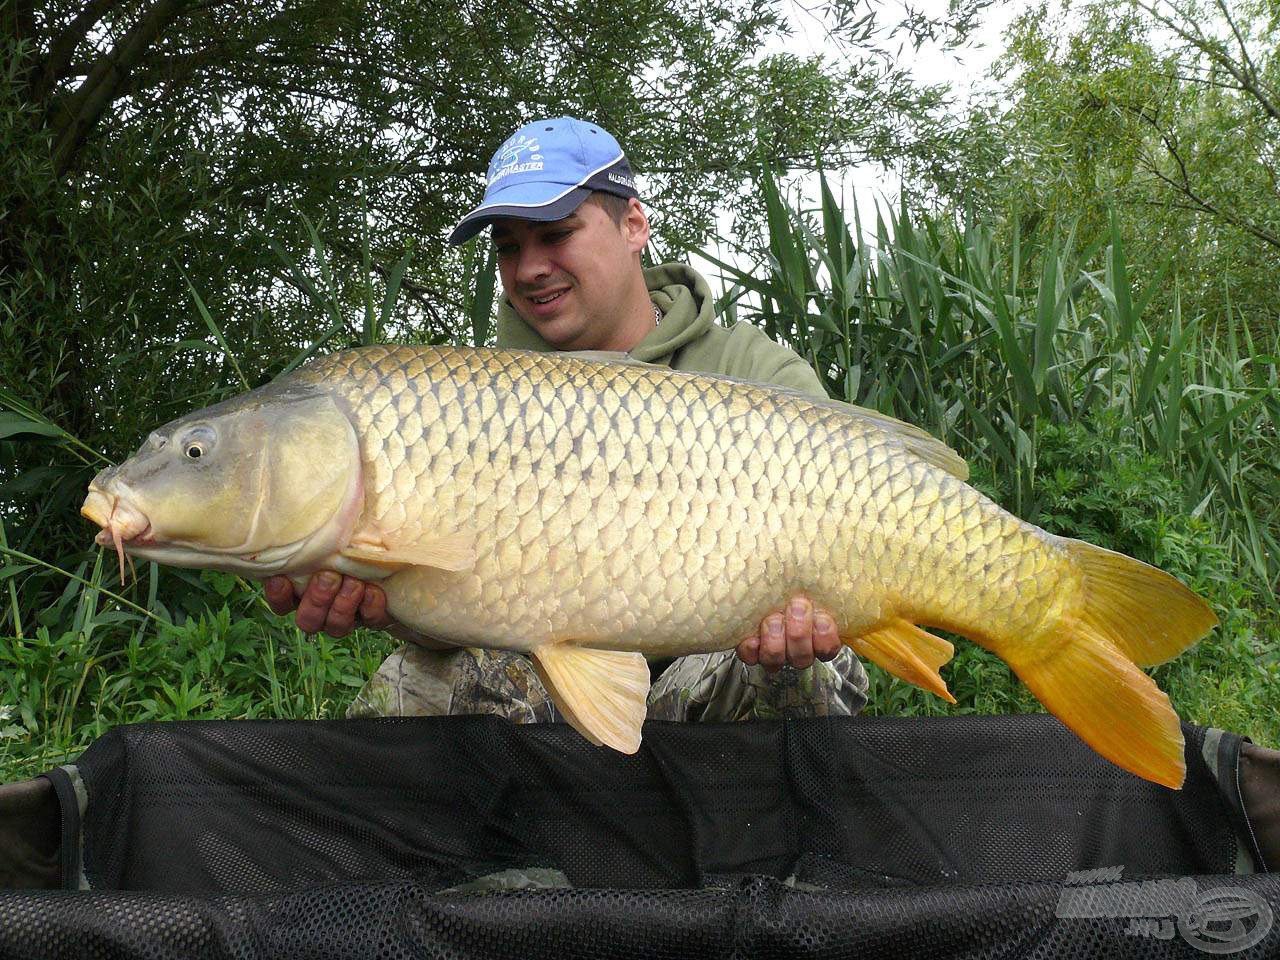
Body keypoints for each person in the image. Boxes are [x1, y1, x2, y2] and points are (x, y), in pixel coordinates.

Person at [265, 116, 867, 724]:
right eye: (508, 247)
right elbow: (458, 602)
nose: (529, 268)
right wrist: (391, 602)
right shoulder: (460, 405)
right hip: (552, 691)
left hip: (711, 670)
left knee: (812, 664)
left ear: (634, 224)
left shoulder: (749, 368)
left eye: (555, 234)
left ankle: (743, 819)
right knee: (417, 678)